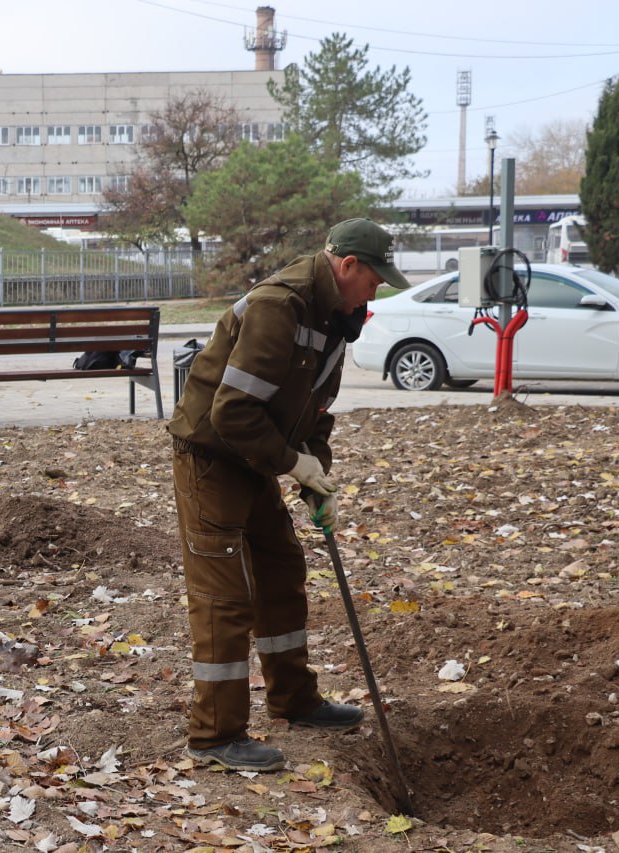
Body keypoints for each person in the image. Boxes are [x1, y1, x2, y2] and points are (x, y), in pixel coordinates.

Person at [166, 218, 410, 772]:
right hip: (210, 457)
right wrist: (292, 461)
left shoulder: (335, 319)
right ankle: (214, 735)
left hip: (253, 458)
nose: (376, 293)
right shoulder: (282, 306)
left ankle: (294, 699)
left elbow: (313, 413)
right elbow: (232, 412)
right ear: (347, 267)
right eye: (374, 280)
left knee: (281, 570)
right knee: (225, 597)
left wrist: (313, 475)